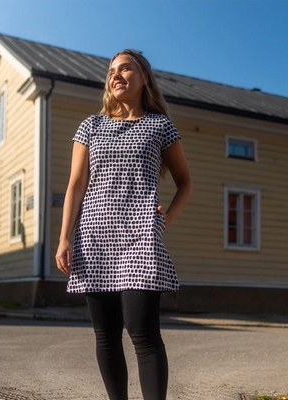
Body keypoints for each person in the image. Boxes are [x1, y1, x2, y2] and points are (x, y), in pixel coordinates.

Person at [55, 49, 193, 400]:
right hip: (95, 237)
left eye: (125, 68)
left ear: (144, 77)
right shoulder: (91, 126)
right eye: (111, 70)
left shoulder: (159, 126)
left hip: (141, 237)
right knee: (106, 334)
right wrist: (64, 238)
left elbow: (185, 183)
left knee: (143, 333)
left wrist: (166, 219)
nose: (116, 75)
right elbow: (75, 185)